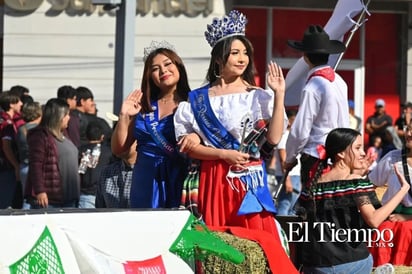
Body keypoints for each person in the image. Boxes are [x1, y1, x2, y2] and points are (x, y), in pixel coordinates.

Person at [174, 10, 297, 273]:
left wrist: (279, 95)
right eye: (235, 53)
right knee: (218, 248)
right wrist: (222, 154)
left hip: (248, 180)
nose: (242, 58)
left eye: (245, 53)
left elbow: (274, 138)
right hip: (214, 178)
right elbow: (190, 147)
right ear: (219, 57)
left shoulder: (258, 96)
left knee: (255, 245)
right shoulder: (197, 100)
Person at [296, 128, 410, 274]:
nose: (363, 153)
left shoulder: (311, 186)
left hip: (315, 265)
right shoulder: (354, 184)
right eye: (357, 148)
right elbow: (374, 220)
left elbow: (300, 228)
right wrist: (402, 191)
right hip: (350, 262)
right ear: (341, 154)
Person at [111, 40, 193, 209]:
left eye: (168, 64)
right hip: (145, 178)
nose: (163, 71)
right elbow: (119, 149)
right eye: (155, 69)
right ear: (149, 76)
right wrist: (124, 116)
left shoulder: (194, 103)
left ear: (178, 66)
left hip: (179, 177)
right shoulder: (144, 107)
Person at [284, 25, 349, 189]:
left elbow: (300, 130)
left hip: (316, 156)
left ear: (305, 57)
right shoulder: (340, 82)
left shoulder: (313, 87)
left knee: (312, 207)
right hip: (339, 155)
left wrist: (290, 157)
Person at [368, 120, 412, 267]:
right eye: (408, 129)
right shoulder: (393, 157)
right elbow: (368, 186)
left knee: (406, 230)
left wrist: (407, 217)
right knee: (384, 231)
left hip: (407, 223)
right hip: (390, 219)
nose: (409, 134)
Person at [25, 98, 80, 208]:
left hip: (70, 198)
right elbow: (36, 165)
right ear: (59, 117)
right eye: (66, 115)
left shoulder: (63, 134)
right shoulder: (41, 136)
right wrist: (39, 190)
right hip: (50, 200)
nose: (69, 118)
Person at [78, 121, 113, 208]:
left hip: (84, 196)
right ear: (102, 137)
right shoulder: (108, 152)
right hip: (104, 195)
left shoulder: (79, 150)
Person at [274, 109, 302, 216]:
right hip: (287, 175)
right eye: (294, 120)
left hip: (295, 174)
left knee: (292, 206)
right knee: (285, 203)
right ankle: (282, 228)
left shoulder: (291, 136)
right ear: (289, 121)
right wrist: (287, 179)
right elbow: (283, 159)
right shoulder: (284, 135)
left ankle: (290, 229)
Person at [16, 101, 42, 209]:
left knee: (26, 196)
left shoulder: (21, 129)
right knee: (35, 197)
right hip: (35, 166)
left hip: (23, 165)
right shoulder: (38, 130)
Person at [0, 91, 24, 209]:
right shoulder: (7, 123)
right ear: (11, 104)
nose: (21, 103)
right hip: (6, 167)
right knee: (5, 204)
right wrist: (16, 166)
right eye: (18, 101)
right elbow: (6, 146)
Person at [95, 140, 137, 208]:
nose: (120, 143)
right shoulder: (106, 172)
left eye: (127, 138)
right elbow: (100, 211)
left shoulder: (153, 174)